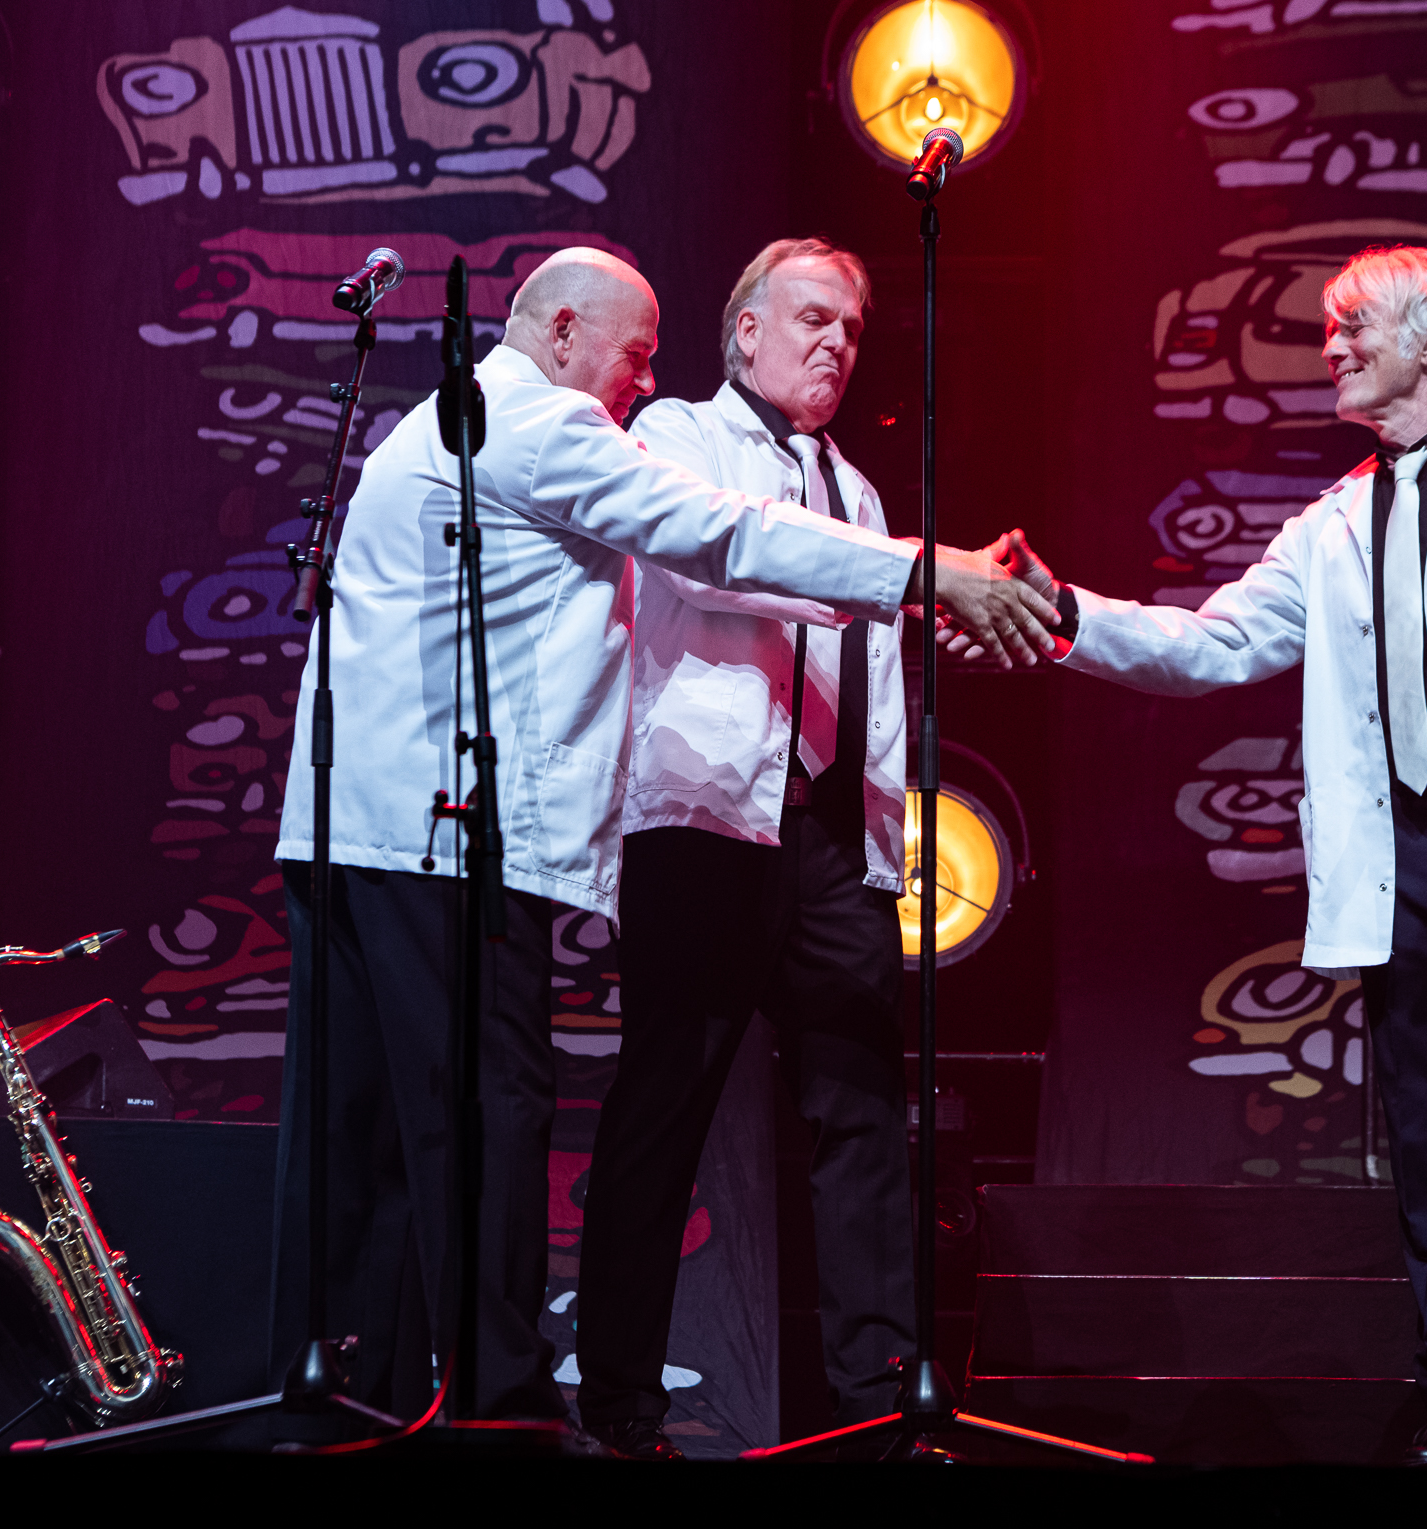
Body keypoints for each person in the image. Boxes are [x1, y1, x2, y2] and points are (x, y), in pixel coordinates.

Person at [268, 247, 1059, 1428]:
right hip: (451, 836)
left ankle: (348, 1396)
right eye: (634, 355)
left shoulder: (436, 425)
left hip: (362, 830)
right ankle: (500, 1403)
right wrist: (930, 571)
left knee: (368, 1131)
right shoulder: (544, 425)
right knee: (489, 1110)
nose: (642, 381)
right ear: (563, 331)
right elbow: (722, 536)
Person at [992, 244, 1427, 1462]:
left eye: (1353, 325)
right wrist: (1065, 612)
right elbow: (1212, 643)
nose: (1331, 346)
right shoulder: (1334, 519)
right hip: (1405, 850)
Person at [574, 238, 914, 1457]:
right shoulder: (677, 435)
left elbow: (874, 669)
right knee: (666, 1098)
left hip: (829, 830)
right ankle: (618, 1396)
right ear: (747, 331)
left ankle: (877, 1397)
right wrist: (884, 581)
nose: (834, 343)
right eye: (812, 318)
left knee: (861, 1105)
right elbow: (706, 560)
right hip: (710, 816)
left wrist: (885, 826)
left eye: (850, 328)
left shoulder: (858, 489)